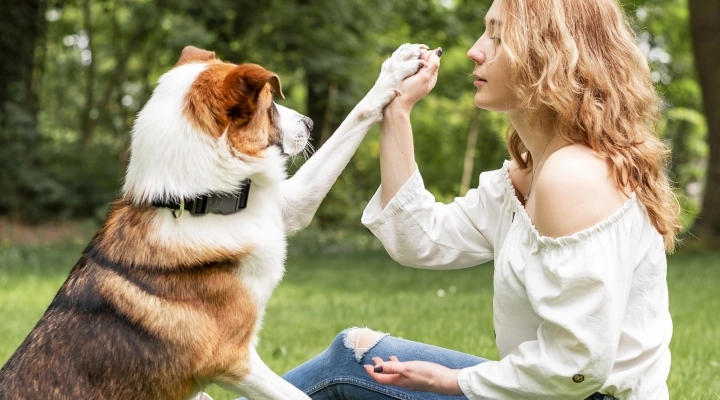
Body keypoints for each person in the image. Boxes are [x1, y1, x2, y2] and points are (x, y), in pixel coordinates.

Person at [228, 0, 681, 398]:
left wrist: (452, 381)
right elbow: (419, 239)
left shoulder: (573, 177)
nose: (475, 49)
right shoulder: (531, 176)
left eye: (498, 37)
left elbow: (578, 369)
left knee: (351, 363)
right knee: (357, 354)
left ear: (547, 58)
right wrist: (397, 114)